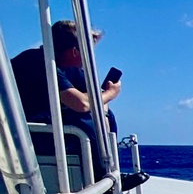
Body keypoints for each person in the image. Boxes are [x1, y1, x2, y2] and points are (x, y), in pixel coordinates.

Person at [11, 20, 123, 181]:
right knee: (83, 117)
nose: (91, 57)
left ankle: (106, 168)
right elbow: (82, 104)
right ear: (75, 51)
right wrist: (111, 93)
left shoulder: (68, 68)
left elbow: (93, 99)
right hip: (26, 132)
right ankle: (101, 177)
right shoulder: (38, 62)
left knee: (106, 115)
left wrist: (103, 110)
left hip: (46, 129)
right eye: (89, 51)